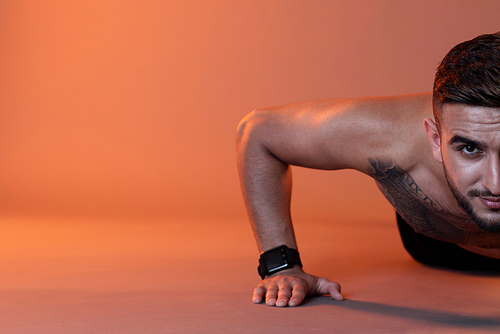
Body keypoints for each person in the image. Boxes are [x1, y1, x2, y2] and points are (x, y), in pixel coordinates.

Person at [236, 32, 500, 307]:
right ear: (435, 140)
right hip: (442, 246)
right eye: (470, 149)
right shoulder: (387, 136)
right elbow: (258, 132)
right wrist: (281, 267)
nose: (495, 183)